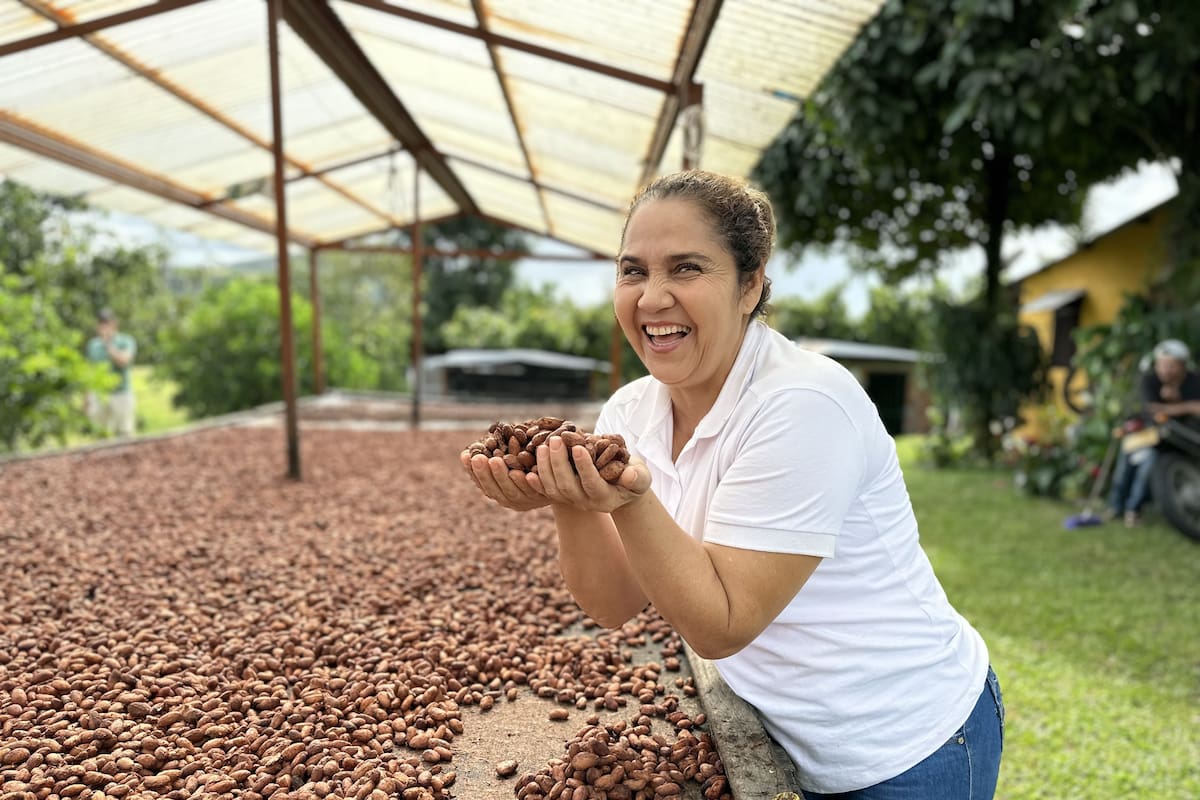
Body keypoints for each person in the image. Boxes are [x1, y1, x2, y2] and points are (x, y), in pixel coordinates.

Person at [461, 170, 1003, 799]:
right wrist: (572, 500)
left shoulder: (803, 403)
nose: (652, 298)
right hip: (783, 726)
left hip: (904, 740)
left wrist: (632, 500)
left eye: (686, 269)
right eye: (632, 271)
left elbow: (723, 623)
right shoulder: (631, 412)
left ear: (750, 284)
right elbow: (612, 605)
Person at [1107, 338, 1200, 526]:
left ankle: (1133, 509)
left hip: (1179, 441)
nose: (1165, 370)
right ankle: (1115, 507)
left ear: (1183, 365)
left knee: (1149, 464)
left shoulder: (1194, 381)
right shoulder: (1149, 380)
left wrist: (1174, 404)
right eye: (1161, 365)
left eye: (1171, 366)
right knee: (1126, 460)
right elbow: (1151, 409)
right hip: (1148, 435)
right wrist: (1186, 406)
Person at [84, 307, 137, 437]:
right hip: (99, 394)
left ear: (114, 324)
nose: (104, 326)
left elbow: (124, 361)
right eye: (101, 323)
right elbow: (89, 372)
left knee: (124, 433)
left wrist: (108, 345)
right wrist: (86, 397)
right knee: (99, 433)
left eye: (106, 323)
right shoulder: (93, 345)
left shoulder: (126, 341)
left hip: (121, 393)